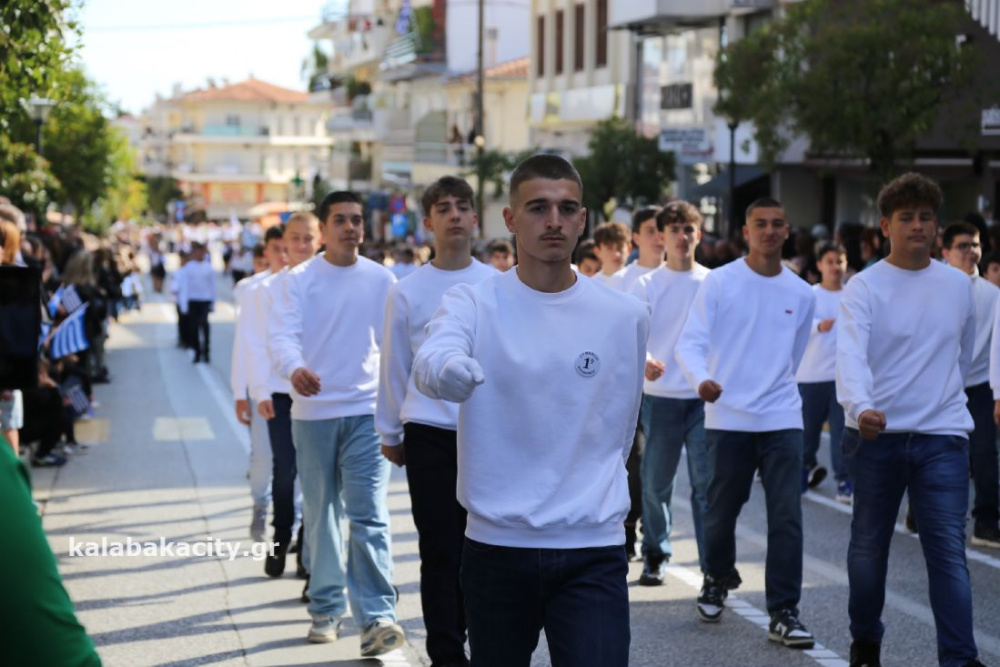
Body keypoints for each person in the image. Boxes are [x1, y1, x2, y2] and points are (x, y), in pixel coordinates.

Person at [413, 154, 649, 667]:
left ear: (583, 220)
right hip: (497, 547)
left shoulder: (626, 315)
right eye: (539, 208)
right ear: (510, 219)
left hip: (592, 546)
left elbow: (623, 424)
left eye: (567, 208)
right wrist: (447, 368)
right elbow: (432, 356)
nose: (554, 220)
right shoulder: (472, 302)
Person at [839, 174, 985, 667]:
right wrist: (861, 408)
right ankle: (865, 640)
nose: (918, 225)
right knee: (868, 550)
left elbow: (965, 354)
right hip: (876, 436)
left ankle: (959, 659)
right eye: (907, 218)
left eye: (926, 217)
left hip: (943, 437)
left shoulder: (959, 286)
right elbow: (850, 356)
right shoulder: (864, 286)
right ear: (886, 226)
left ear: (936, 226)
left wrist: (944, 401)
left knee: (948, 553)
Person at [675, 196, 816, 648]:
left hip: (781, 417)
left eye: (777, 224)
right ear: (746, 231)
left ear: (787, 231)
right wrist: (701, 379)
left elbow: (795, 355)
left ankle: (784, 610)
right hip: (728, 417)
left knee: (787, 516)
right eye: (761, 224)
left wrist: (773, 389)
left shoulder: (802, 293)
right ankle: (717, 576)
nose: (769, 231)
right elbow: (690, 342)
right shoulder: (720, 282)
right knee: (720, 512)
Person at [269, 192, 404, 655]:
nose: (350, 227)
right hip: (314, 414)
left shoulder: (382, 279)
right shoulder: (299, 280)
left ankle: (377, 616)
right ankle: (326, 608)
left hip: (366, 413)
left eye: (357, 220)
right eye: (341, 220)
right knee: (322, 512)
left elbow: (396, 348)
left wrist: (397, 411)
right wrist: (294, 368)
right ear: (324, 230)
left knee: (369, 513)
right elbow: (282, 335)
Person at [376, 175, 495, 667]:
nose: (454, 215)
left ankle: (483, 639)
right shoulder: (406, 291)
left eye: (462, 206)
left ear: (475, 218)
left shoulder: (497, 284)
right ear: (428, 222)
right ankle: (446, 652)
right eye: (443, 208)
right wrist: (390, 431)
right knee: (440, 548)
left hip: (487, 432)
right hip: (428, 432)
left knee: (484, 546)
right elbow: (395, 365)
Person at [629, 201, 711, 586]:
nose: (682, 236)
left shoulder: (714, 282)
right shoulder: (646, 284)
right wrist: (645, 360)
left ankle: (712, 567)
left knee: (706, 484)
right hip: (660, 396)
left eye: (688, 229)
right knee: (656, 483)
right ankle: (656, 554)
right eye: (674, 229)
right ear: (662, 236)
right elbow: (634, 335)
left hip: (704, 399)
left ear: (699, 234)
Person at [250, 215, 319, 586]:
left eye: (309, 238)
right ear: (284, 243)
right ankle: (280, 540)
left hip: (318, 394)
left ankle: (307, 552)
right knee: (285, 470)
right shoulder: (269, 289)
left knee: (315, 474)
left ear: (320, 240)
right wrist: (260, 390)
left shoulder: (326, 281)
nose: (302, 246)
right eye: (295, 238)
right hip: (280, 392)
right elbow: (259, 342)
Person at [942, 222, 1000, 550]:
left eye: (975, 245)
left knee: (985, 453)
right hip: (939, 383)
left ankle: (986, 522)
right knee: (932, 451)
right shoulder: (933, 286)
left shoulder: (993, 294)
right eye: (962, 246)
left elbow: (998, 348)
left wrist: (998, 395)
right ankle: (920, 511)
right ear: (946, 251)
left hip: (978, 386)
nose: (970, 251)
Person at [231, 229, 286, 543]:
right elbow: (244, 344)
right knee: (263, 456)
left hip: (297, 391)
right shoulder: (251, 289)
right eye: (277, 248)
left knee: (294, 462)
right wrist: (240, 392)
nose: (283, 255)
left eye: (287, 248)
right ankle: (260, 504)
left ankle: (292, 518)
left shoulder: (306, 283)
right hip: (262, 388)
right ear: (266, 252)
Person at [796, 242, 852, 503]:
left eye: (840, 261)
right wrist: (818, 326)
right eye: (830, 261)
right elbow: (795, 325)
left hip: (842, 378)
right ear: (819, 265)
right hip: (811, 376)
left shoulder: (852, 295)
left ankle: (844, 480)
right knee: (808, 431)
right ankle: (803, 468)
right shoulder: (810, 295)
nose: (835, 267)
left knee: (842, 432)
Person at [178, 242, 216, 363]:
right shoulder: (189, 267)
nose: (200, 254)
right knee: (193, 328)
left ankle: (206, 351)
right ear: (194, 253)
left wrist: (213, 302)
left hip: (204, 300)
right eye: (197, 252)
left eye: (201, 252)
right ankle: (197, 352)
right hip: (193, 300)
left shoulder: (208, 267)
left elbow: (212, 286)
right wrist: (184, 304)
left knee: (204, 325)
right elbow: (185, 286)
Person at [621, 206, 666, 292]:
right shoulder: (620, 279)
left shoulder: (679, 276)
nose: (658, 237)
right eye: (650, 231)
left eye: (661, 231)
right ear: (636, 238)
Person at [591, 221, 630, 289]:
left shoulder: (639, 282)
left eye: (620, 247)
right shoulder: (591, 285)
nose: (616, 254)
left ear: (629, 249)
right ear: (597, 251)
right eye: (609, 248)